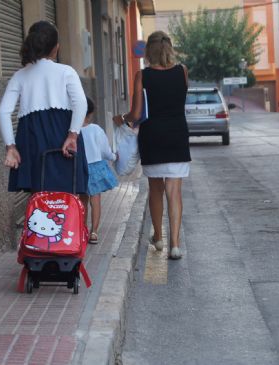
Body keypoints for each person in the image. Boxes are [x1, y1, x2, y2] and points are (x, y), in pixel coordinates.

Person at [113, 31, 190, 260]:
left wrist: (121, 118)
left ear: (149, 52)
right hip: (177, 135)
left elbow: (136, 114)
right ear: (169, 49)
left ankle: (158, 238)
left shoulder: (142, 76)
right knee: (174, 192)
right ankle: (175, 245)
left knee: (156, 189)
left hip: (153, 137)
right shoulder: (182, 72)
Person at [0, 21, 88, 196]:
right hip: (63, 133)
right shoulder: (66, 71)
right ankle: (69, 224)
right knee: (68, 192)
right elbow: (81, 103)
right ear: (56, 47)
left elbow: (3, 111)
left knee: (39, 194)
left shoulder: (19, 76)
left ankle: (40, 223)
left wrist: (11, 147)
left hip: (31, 137)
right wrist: (72, 135)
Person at [81, 97, 118, 244]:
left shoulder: (72, 131)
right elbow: (105, 151)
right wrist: (113, 157)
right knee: (95, 200)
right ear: (91, 113)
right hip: (96, 167)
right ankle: (94, 232)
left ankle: (82, 230)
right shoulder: (96, 129)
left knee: (81, 200)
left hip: (80, 168)